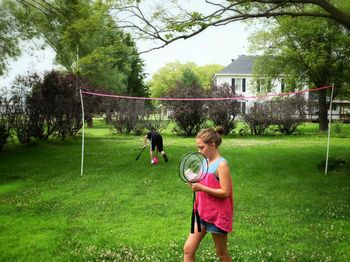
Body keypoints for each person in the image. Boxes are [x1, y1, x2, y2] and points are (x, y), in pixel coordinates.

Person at [183, 127, 233, 262]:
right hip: (202, 212)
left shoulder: (221, 165)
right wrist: (193, 179)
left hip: (217, 215)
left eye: (201, 147)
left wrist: (202, 188)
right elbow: (203, 180)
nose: (199, 151)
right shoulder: (204, 161)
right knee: (188, 249)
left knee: (222, 254)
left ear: (213, 145)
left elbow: (225, 192)